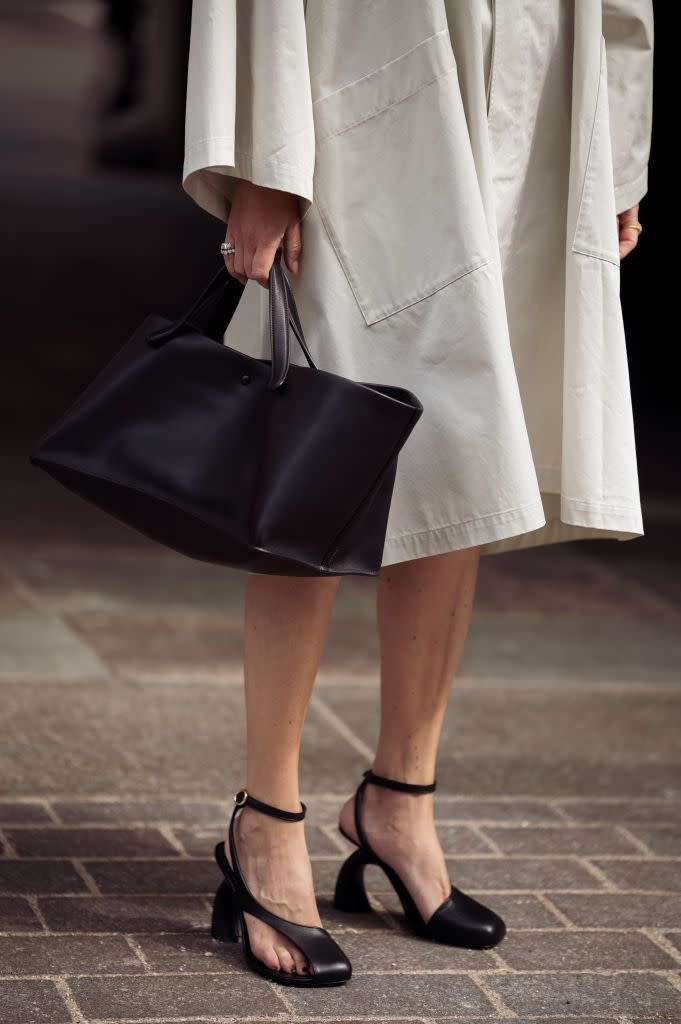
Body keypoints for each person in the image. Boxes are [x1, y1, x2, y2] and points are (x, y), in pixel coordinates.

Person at [182, 0, 653, 987]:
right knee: (319, 444)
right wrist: (261, 153)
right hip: (371, 53)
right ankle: (265, 819)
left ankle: (400, 798)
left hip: (536, 67)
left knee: (469, 431)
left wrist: (616, 135)